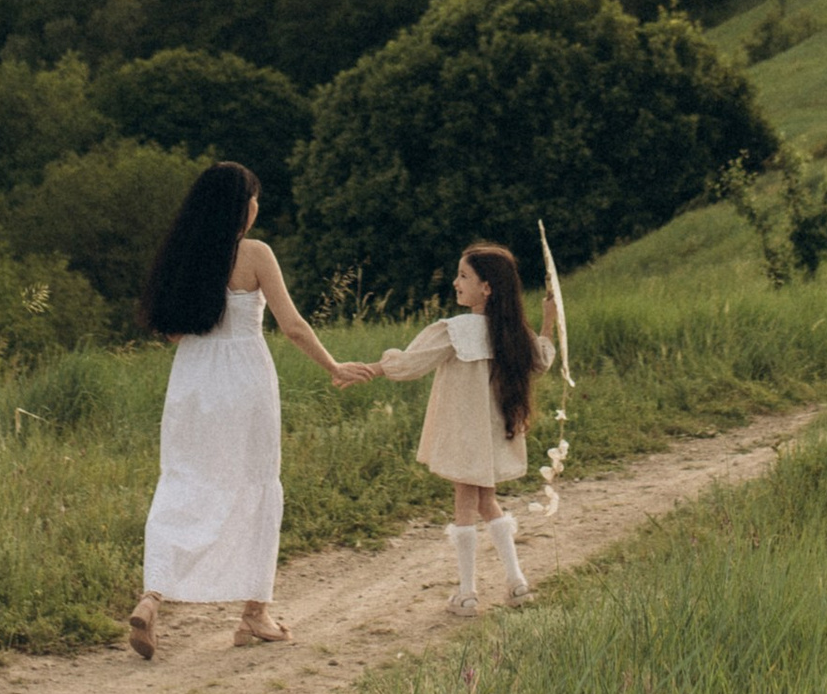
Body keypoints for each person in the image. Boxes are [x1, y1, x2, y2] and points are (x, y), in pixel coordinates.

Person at [128, 159, 362, 660]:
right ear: (242, 206)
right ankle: (254, 613)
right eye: (254, 197)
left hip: (193, 379)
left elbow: (174, 333)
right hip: (245, 380)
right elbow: (292, 325)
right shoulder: (254, 253)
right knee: (255, 481)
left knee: (184, 480)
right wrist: (333, 365)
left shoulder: (184, 255)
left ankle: (152, 597)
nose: (257, 206)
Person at [368, 242, 554, 615]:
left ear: (486, 288)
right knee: (486, 500)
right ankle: (516, 583)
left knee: (466, 504)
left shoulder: (456, 330)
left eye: (463, 276)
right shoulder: (513, 333)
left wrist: (370, 369)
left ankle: (468, 592)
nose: (455, 283)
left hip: (464, 433)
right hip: (493, 433)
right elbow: (542, 360)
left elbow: (411, 364)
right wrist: (548, 321)